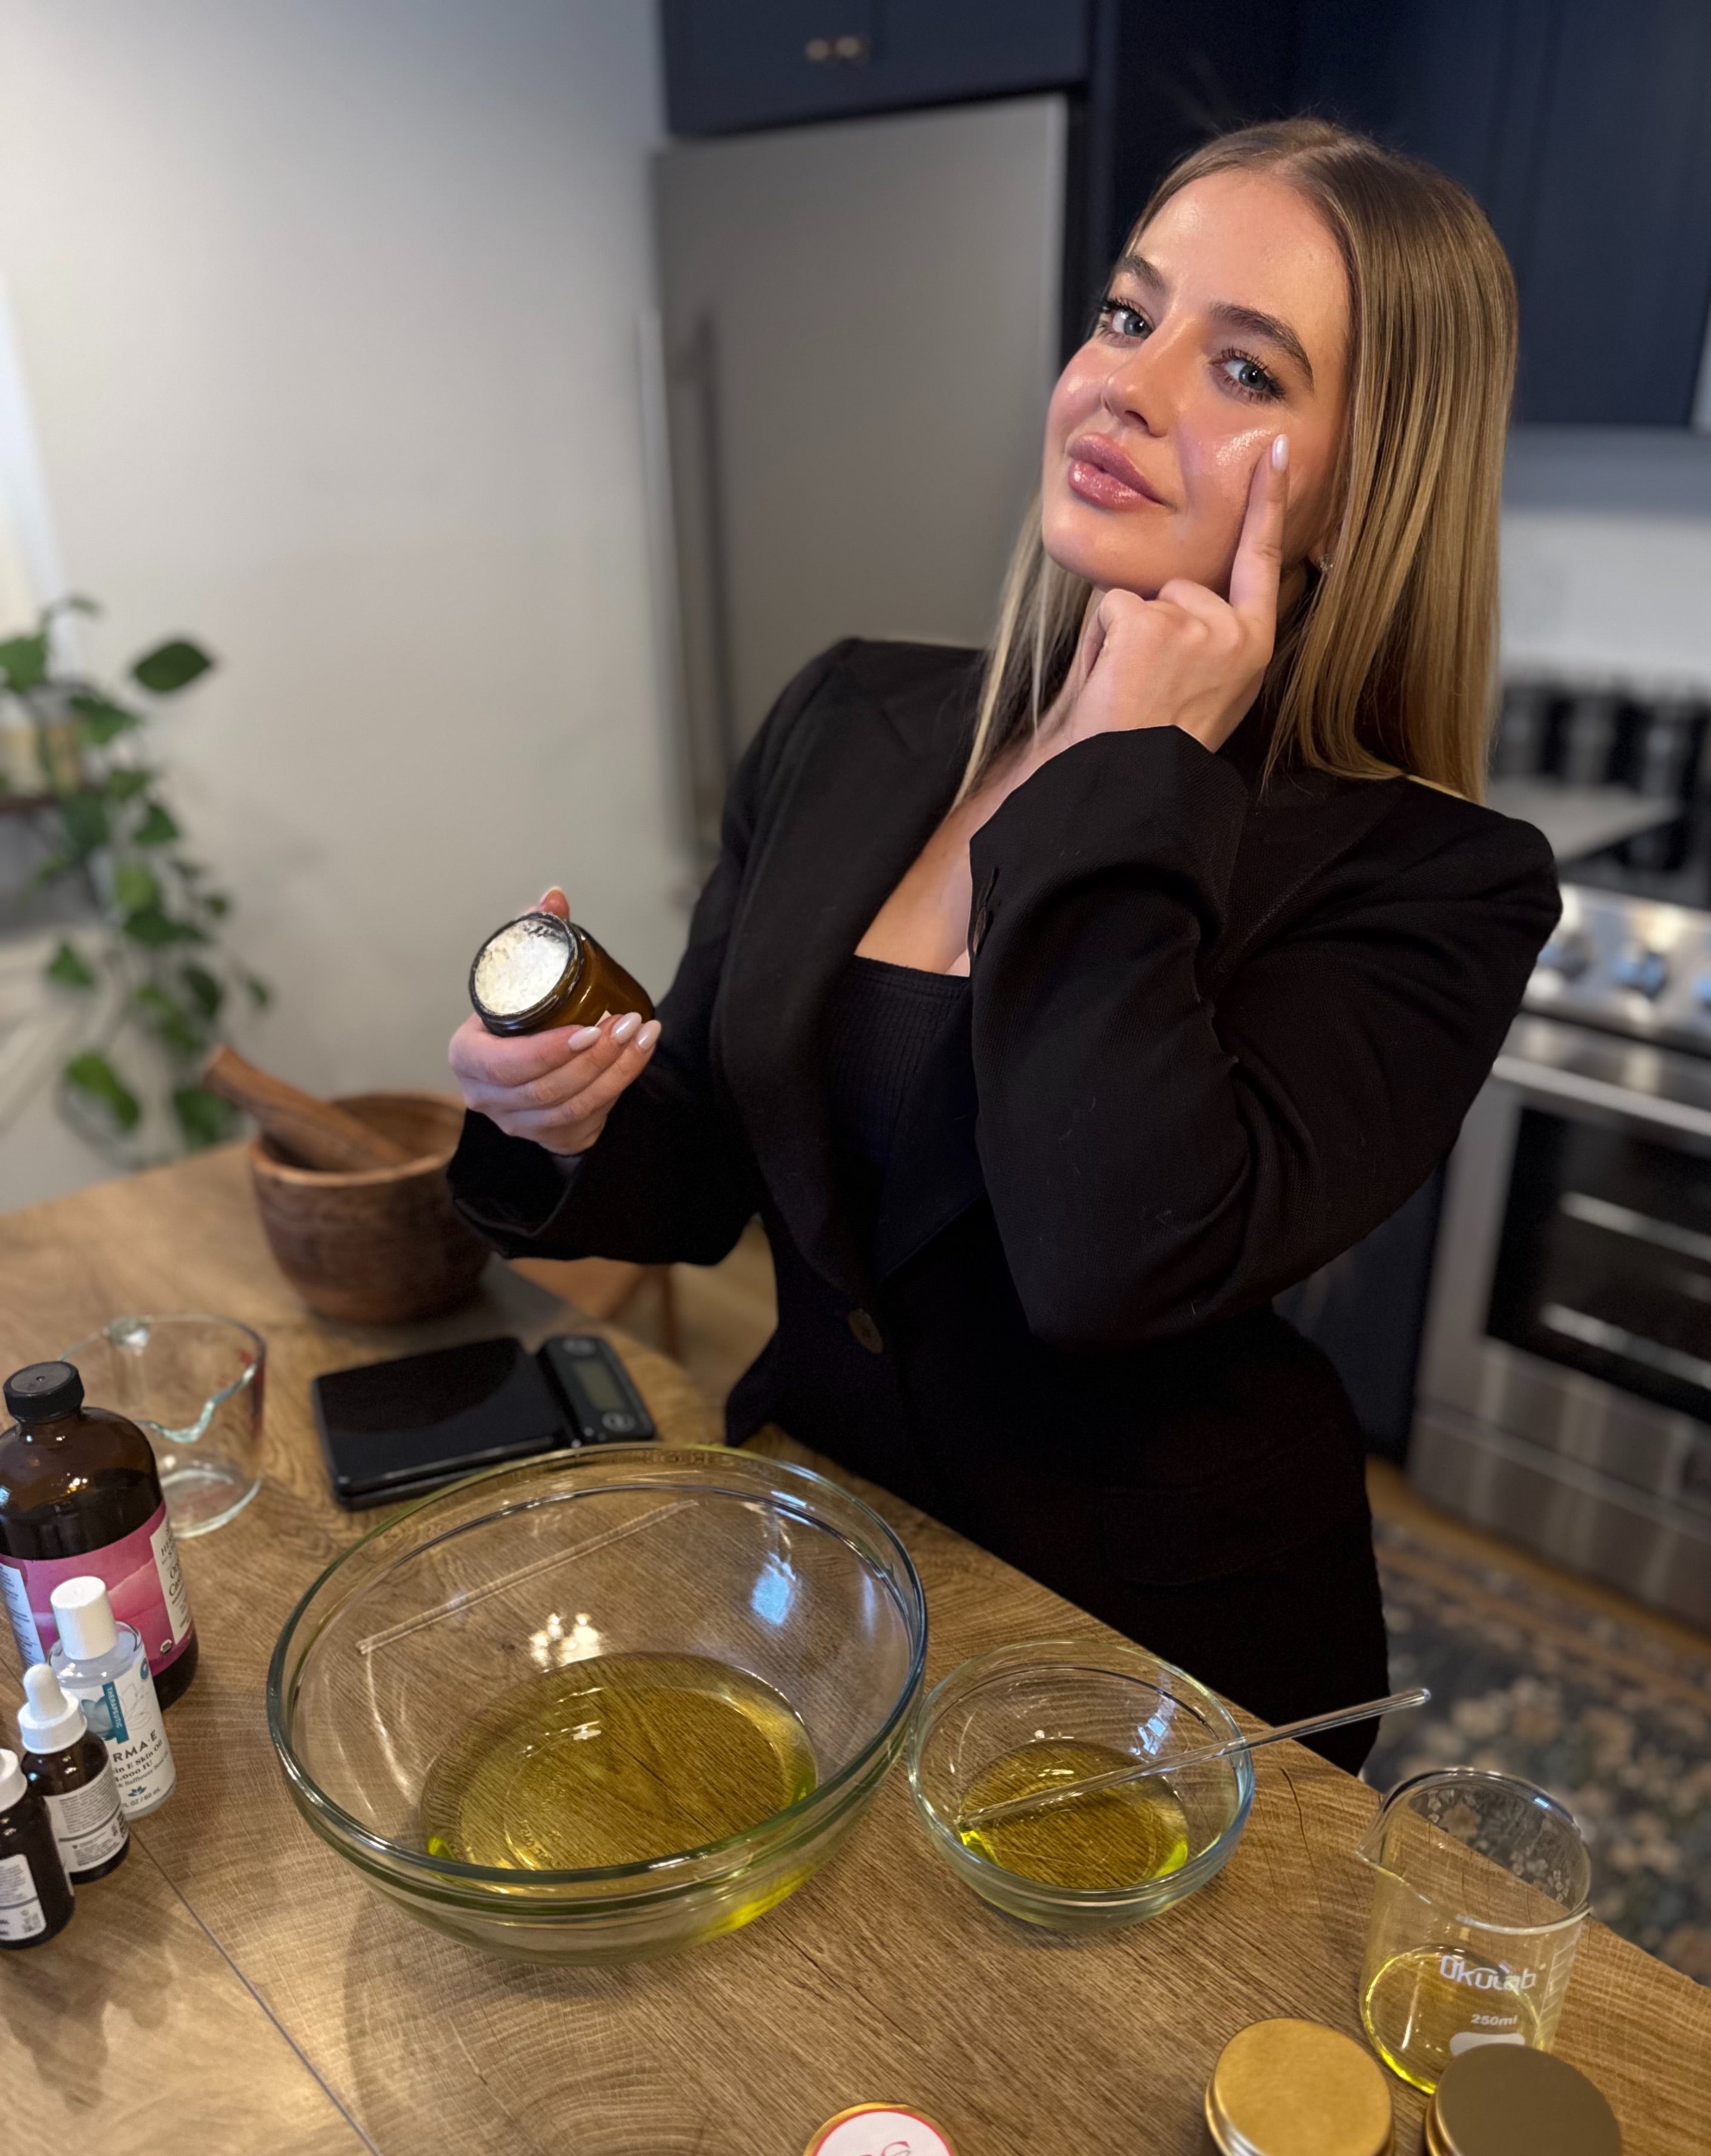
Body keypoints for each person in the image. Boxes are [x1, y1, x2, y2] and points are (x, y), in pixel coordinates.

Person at [445, 119, 1561, 1775]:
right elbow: (702, 1163)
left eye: (1246, 370)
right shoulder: (853, 713)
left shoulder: (1437, 881)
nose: (1127, 384)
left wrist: (1131, 774)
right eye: (1129, 316)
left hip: (1156, 1661)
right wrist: (561, 1109)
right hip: (811, 1553)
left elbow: (1115, 1262)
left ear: (1365, 478)